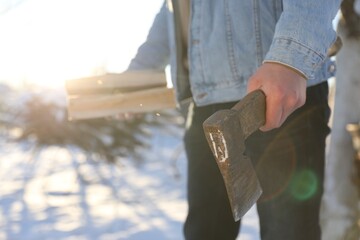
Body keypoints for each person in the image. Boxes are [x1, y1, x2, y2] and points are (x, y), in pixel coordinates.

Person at [127, 1, 341, 239]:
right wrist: (138, 74)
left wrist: (291, 57)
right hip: (205, 103)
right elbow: (174, 8)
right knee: (205, 233)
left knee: (288, 233)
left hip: (277, 93)